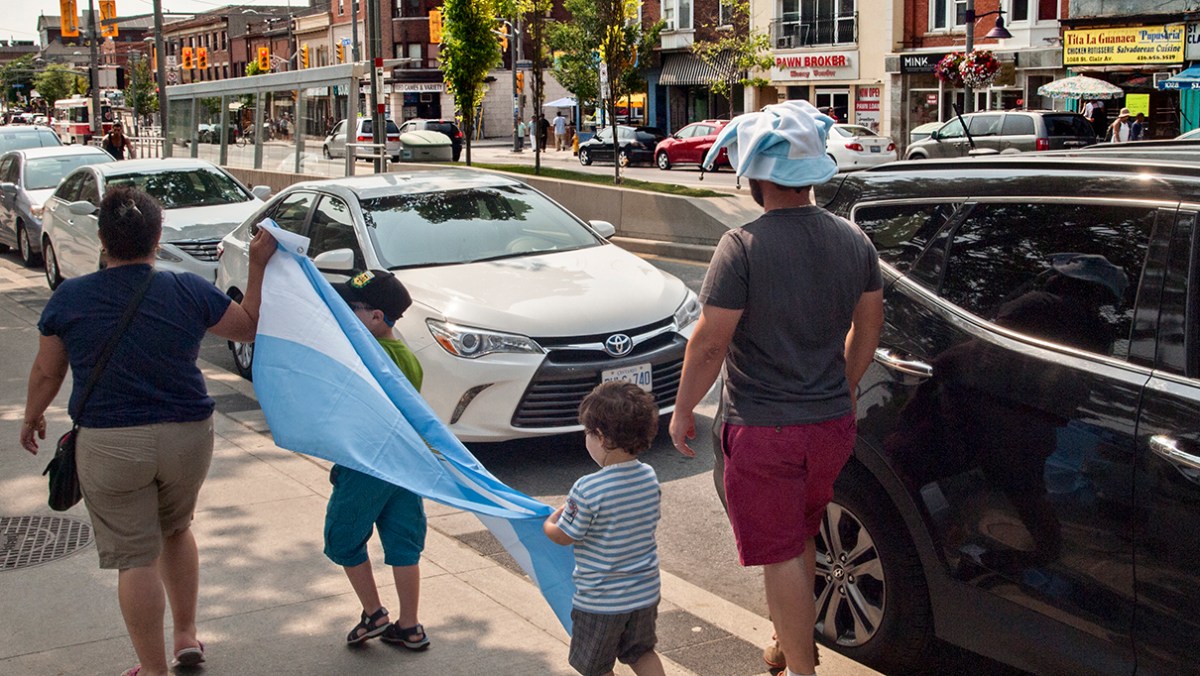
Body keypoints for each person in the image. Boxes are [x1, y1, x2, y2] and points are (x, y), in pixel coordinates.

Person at [20, 185, 276, 676]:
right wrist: (259, 265)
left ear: (101, 238)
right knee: (176, 530)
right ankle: (185, 637)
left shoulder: (70, 297)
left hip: (110, 443)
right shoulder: (186, 289)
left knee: (135, 558)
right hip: (187, 436)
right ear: (157, 238)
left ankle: (154, 670)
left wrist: (34, 415)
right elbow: (247, 327)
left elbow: (47, 372)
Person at [668, 100, 884, 676]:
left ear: (759, 174)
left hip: (765, 431)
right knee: (803, 533)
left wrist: (684, 408)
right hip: (831, 426)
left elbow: (710, 343)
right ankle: (789, 643)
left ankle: (803, 668)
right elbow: (869, 328)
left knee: (783, 551)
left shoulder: (741, 246)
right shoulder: (855, 241)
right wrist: (845, 385)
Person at [325, 269, 432, 651]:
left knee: (343, 537)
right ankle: (410, 624)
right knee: (403, 542)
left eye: (351, 307)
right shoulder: (403, 354)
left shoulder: (372, 358)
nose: (343, 312)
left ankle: (373, 613)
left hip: (369, 463)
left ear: (375, 317)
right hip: (404, 467)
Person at [544, 382, 665, 676]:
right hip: (644, 592)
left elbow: (565, 535)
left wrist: (548, 524)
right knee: (641, 653)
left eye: (587, 432)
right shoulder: (648, 476)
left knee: (596, 667)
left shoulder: (588, 488)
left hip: (601, 601)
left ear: (600, 436)